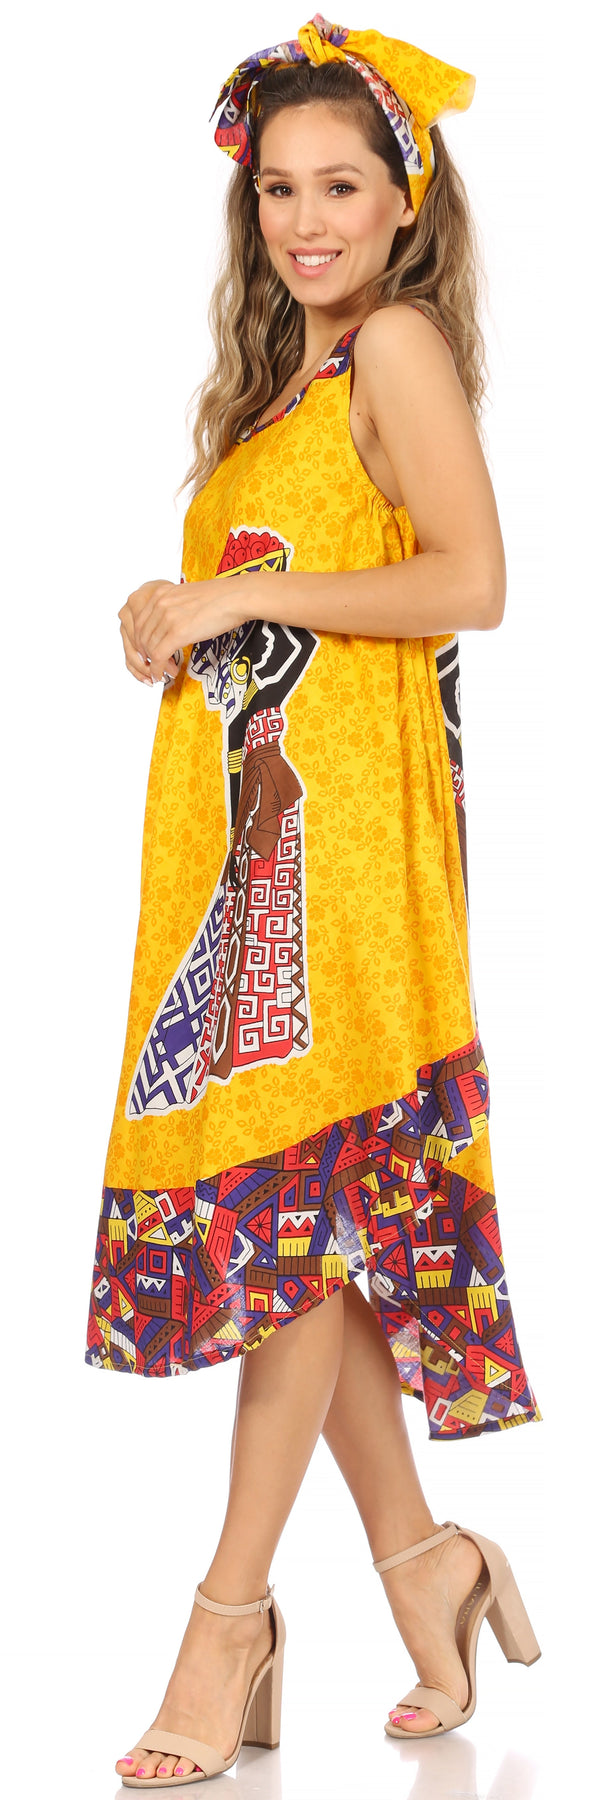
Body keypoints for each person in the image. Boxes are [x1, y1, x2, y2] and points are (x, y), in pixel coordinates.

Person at [84, 15, 542, 1787]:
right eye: (277, 190)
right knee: (312, 1232)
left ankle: (226, 1622)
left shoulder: (397, 345)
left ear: (404, 199)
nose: (304, 221)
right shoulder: (285, 383)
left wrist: (233, 605)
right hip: (252, 858)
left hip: (343, 875)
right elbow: (294, 601)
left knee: (290, 1233)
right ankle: (428, 1566)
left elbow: (471, 580)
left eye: (339, 185)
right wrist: (176, 614)